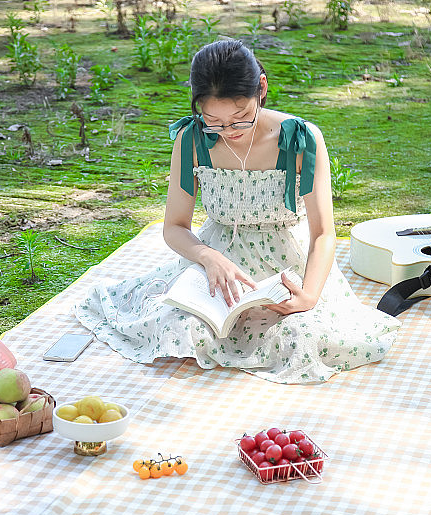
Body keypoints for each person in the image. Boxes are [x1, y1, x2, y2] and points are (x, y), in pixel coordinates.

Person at [75, 40, 400, 384]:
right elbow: (174, 227)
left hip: (287, 267)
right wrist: (208, 257)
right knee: (180, 328)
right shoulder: (191, 139)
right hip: (217, 266)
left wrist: (309, 295)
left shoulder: (300, 139)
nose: (229, 133)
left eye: (241, 119)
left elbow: (324, 234)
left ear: (261, 89)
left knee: (301, 338)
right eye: (213, 121)